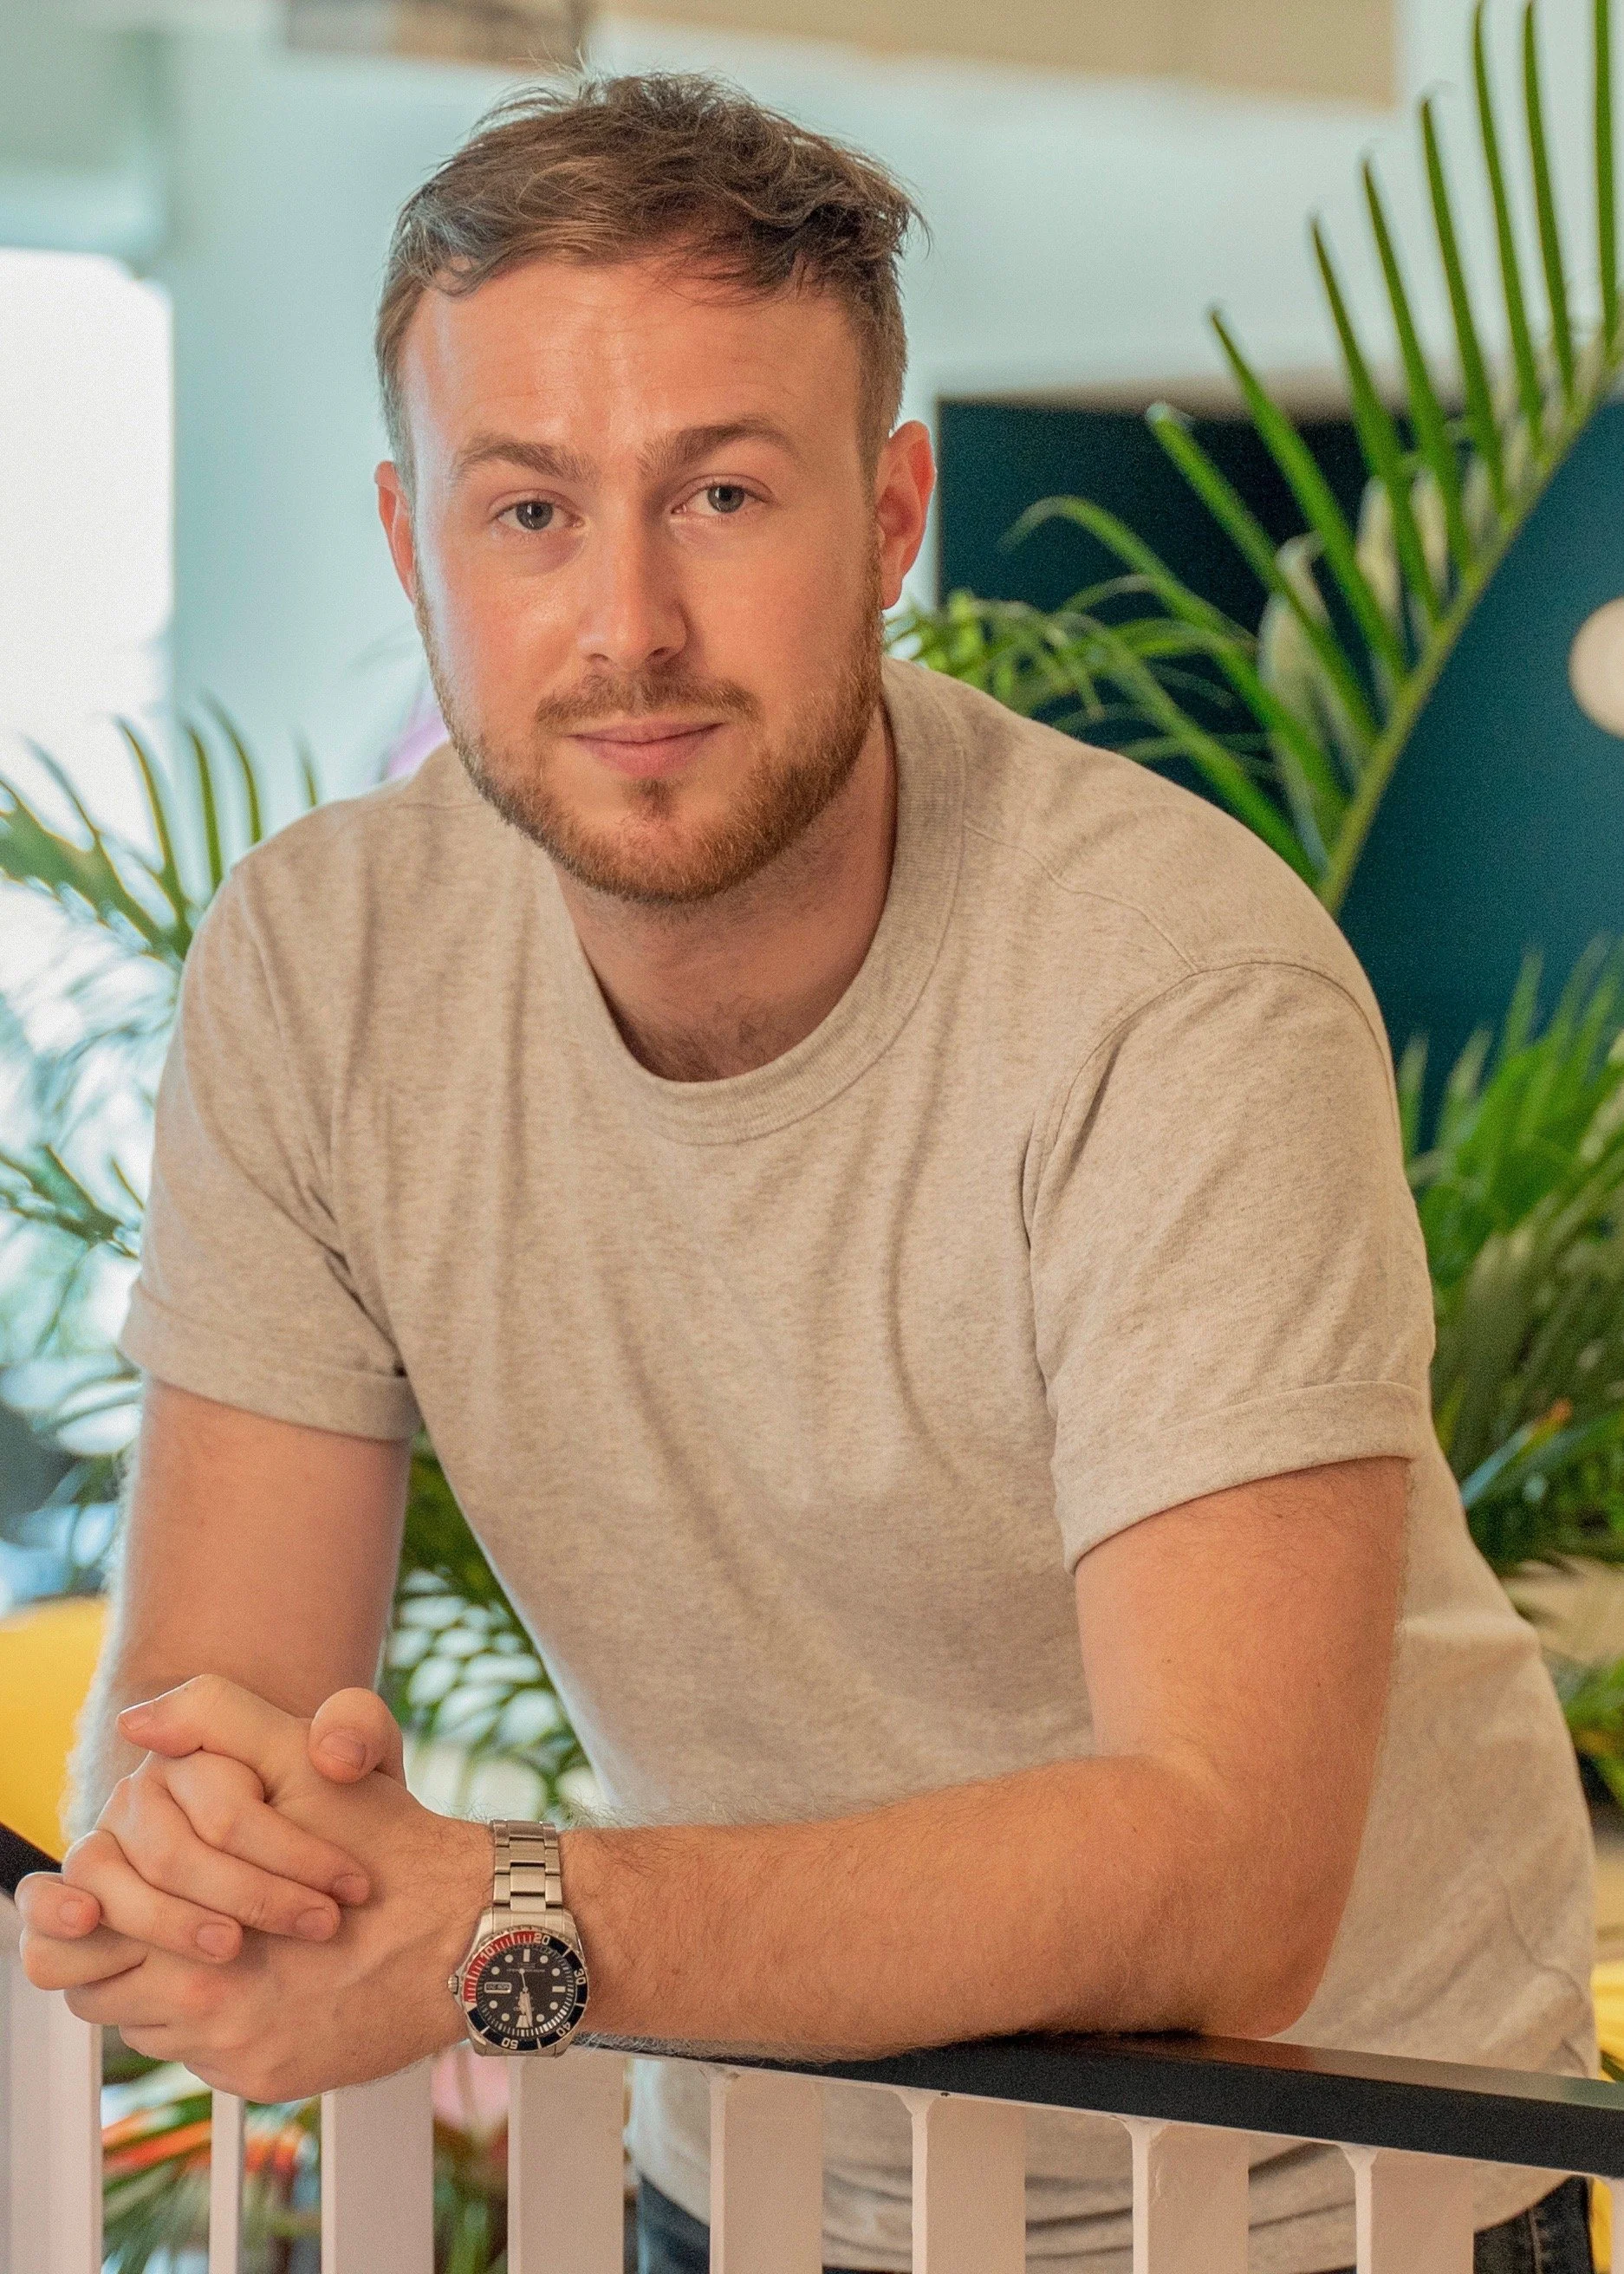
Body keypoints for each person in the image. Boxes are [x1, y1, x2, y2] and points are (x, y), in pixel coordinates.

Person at [15, 73, 1596, 2274]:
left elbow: (1224, 1879)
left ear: (888, 517)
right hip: (749, 2185)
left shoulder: (1176, 982)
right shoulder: (316, 969)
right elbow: (211, 1726)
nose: (630, 624)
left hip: (1322, 2203)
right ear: (414, 548)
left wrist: (503, 1917)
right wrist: (207, 1867)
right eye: (531, 511)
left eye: (725, 492)